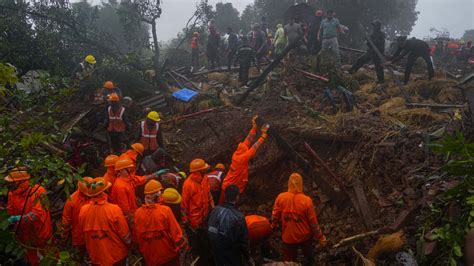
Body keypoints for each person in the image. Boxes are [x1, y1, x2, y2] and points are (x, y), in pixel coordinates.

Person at [272, 173, 327, 266]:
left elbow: (275, 216)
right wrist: (320, 237)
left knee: (288, 262)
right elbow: (313, 223)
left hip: (288, 238)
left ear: (289, 183)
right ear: (301, 184)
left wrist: (274, 225)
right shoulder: (307, 201)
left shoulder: (281, 197)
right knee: (309, 258)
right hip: (305, 237)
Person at [5, 167, 53, 265]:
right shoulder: (12, 194)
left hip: (40, 230)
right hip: (24, 233)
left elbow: (37, 214)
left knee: (49, 255)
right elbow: (10, 210)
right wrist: (9, 221)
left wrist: (18, 219)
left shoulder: (38, 191)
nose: (10, 184)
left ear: (20, 182)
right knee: (31, 256)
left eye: (12, 182)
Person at [78, 177, 131, 266]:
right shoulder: (114, 209)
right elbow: (125, 235)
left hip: (96, 258)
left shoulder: (83, 210)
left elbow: (82, 233)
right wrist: (131, 245)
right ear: (104, 192)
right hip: (117, 256)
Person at [134, 180, 187, 266]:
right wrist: (184, 246)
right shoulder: (165, 211)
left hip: (149, 258)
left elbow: (137, 237)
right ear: (157, 196)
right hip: (168, 256)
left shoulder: (137, 213)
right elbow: (176, 234)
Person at [219, 116, 269, 203]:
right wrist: (263, 137)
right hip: (230, 188)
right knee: (225, 205)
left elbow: (248, 140)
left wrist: (254, 128)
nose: (247, 146)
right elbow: (253, 149)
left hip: (228, 185)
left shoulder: (237, 153)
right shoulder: (242, 158)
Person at [181, 158, 214, 266]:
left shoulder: (205, 179)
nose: (206, 170)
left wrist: (212, 208)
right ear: (198, 171)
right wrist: (185, 222)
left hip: (205, 216)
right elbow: (184, 205)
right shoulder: (188, 184)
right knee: (196, 244)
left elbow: (209, 195)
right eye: (203, 169)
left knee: (206, 241)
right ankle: (198, 259)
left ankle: (207, 257)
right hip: (194, 222)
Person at [208, 185, 251, 266]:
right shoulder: (238, 217)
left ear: (225, 195)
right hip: (230, 254)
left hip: (215, 250)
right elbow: (244, 242)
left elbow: (208, 226)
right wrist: (248, 258)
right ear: (237, 197)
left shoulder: (214, 210)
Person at [110, 158, 157, 222]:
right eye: (128, 169)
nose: (130, 171)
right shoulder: (120, 186)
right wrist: (132, 218)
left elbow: (141, 179)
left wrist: (154, 175)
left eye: (130, 169)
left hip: (133, 212)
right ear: (120, 170)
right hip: (127, 217)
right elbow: (125, 208)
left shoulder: (128, 178)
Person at [61, 177, 93, 262]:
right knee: (80, 255)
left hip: (93, 232)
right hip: (79, 234)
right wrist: (64, 234)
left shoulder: (96, 195)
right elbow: (66, 220)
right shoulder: (72, 200)